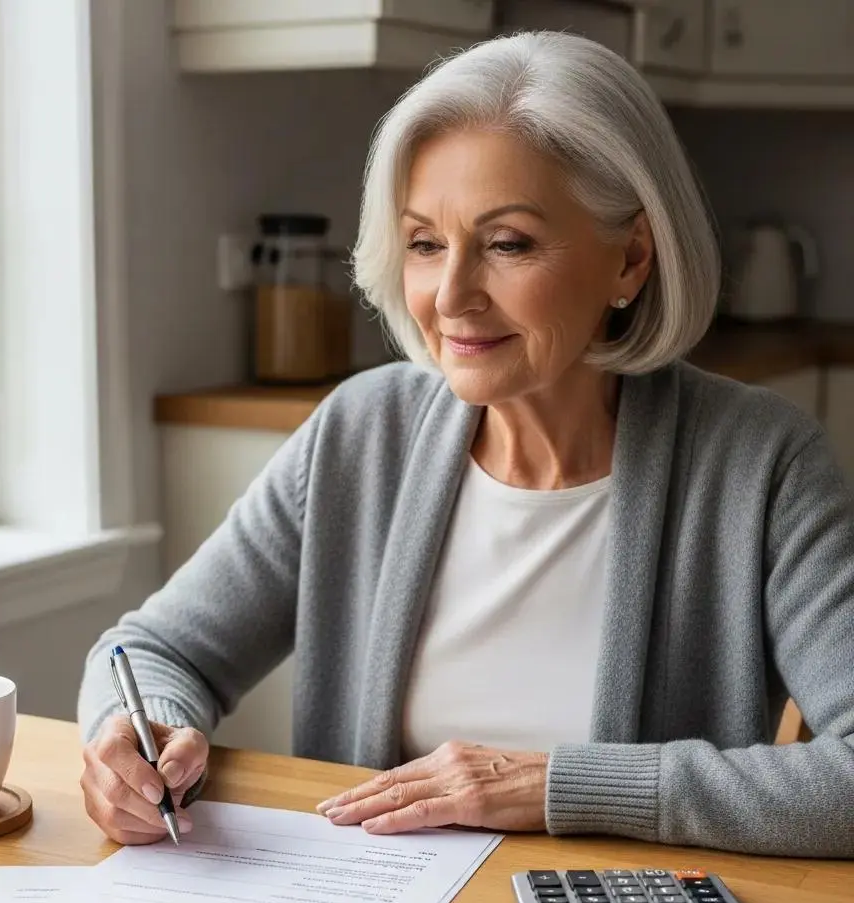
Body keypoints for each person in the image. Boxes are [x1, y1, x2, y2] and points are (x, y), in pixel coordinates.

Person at [77, 31, 854, 858]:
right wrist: (136, 729)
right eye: (425, 243)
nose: (451, 296)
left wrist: (552, 785)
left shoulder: (764, 466)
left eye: (508, 243)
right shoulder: (361, 433)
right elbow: (152, 649)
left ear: (629, 260)